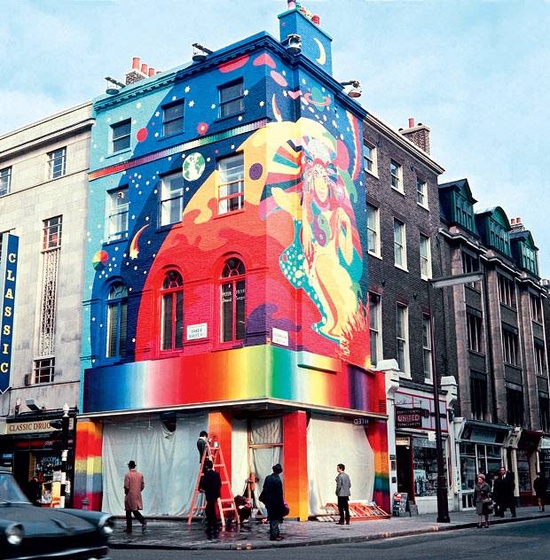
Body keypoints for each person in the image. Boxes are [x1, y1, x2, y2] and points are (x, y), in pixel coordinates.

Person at [259, 463, 286, 541]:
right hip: (276, 503)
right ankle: (274, 535)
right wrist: (282, 505)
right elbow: (279, 494)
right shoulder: (277, 480)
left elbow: (264, 490)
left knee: (272, 518)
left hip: (269, 502)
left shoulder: (268, 478)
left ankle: (275, 534)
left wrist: (264, 500)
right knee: (275, 519)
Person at [199, 459, 221, 539]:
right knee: (211, 509)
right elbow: (219, 484)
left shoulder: (207, 475)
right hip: (215, 494)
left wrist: (203, 489)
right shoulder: (216, 474)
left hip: (210, 494)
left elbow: (205, 485)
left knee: (210, 510)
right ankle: (212, 526)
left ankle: (213, 526)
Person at [124, 460, 147, 534]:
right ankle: (141, 522)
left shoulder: (128, 475)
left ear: (129, 466)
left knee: (129, 511)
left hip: (130, 495)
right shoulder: (140, 475)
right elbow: (142, 485)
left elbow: (126, 486)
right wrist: (138, 490)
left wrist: (126, 492)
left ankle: (141, 521)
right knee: (134, 510)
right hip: (137, 494)